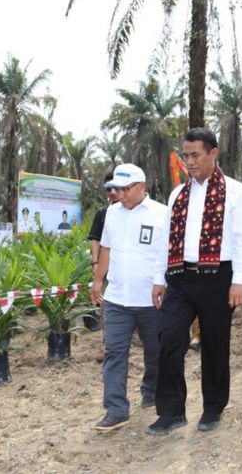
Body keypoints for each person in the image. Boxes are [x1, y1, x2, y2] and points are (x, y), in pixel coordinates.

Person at [148, 128, 242, 435]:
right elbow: (166, 240)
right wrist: (159, 279)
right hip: (180, 277)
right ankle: (171, 411)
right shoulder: (177, 195)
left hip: (217, 277)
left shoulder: (235, 192)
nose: (190, 162)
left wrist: (238, 281)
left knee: (215, 343)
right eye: (186, 155)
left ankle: (213, 407)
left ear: (213, 153)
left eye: (196, 155)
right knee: (168, 338)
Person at [90, 163, 168, 431]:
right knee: (114, 353)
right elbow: (106, 250)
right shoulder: (111, 214)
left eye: (124, 189)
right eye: (115, 189)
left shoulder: (162, 214)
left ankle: (151, 390)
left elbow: (167, 255)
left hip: (150, 298)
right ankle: (116, 409)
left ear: (140, 187)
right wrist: (98, 280)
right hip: (117, 299)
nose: (119, 195)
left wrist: (162, 283)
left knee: (155, 351)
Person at [87, 170, 121, 360]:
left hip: (130, 269)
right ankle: (108, 345)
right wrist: (95, 262)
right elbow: (95, 240)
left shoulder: (134, 211)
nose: (113, 192)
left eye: (116, 188)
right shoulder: (103, 214)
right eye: (109, 189)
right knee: (107, 308)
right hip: (107, 269)